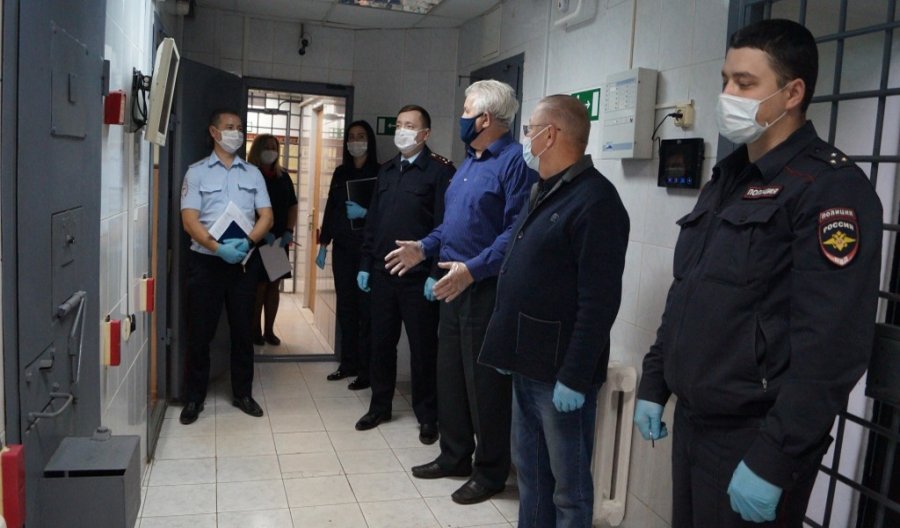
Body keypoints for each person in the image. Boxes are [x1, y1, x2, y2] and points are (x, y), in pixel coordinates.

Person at [634, 19, 882, 527]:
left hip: (754, 435)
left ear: (792, 93)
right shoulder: (729, 178)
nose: (728, 94)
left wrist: (776, 454)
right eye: (726, 80)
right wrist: (656, 379)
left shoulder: (828, 188)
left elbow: (832, 344)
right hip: (696, 421)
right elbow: (688, 291)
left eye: (745, 83)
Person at [479, 94, 629, 526]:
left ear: (551, 134)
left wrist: (576, 375)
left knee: (569, 492)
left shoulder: (596, 201)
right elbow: (523, 273)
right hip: (527, 363)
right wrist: (506, 345)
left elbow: (599, 301)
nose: (525, 137)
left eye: (530, 129)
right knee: (531, 476)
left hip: (561, 374)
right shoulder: (542, 190)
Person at [387, 80, 538, 504]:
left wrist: (473, 270)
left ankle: (490, 473)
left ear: (486, 118)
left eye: (467, 110)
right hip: (451, 283)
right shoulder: (470, 162)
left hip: (484, 288)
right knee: (450, 374)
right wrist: (423, 247)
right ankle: (454, 455)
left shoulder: (514, 163)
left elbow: (515, 232)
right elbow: (452, 225)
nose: (462, 117)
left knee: (483, 384)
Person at [354, 105, 454, 445]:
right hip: (383, 274)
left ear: (425, 134)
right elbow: (373, 222)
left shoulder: (440, 172)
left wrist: (434, 272)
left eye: (409, 126)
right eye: (399, 124)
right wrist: (365, 264)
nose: (402, 131)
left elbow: (445, 226)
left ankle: (428, 416)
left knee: (423, 349)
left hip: (418, 278)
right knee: (380, 343)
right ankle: (379, 406)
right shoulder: (386, 170)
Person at [179, 108, 274, 425]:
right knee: (200, 333)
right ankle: (194, 398)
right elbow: (189, 221)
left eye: (239, 127)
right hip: (205, 263)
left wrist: (247, 243)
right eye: (229, 127)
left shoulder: (253, 173)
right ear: (214, 132)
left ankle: (243, 394)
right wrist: (217, 248)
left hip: (243, 263)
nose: (236, 132)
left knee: (243, 332)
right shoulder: (197, 173)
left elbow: (267, 216)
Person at [318, 120, 379, 390]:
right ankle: (348, 363)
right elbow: (332, 209)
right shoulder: (340, 172)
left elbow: (386, 213)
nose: (356, 141)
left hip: (367, 252)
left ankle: (366, 371)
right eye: (352, 137)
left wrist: (365, 214)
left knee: (366, 311)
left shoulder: (380, 173)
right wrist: (323, 244)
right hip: (342, 249)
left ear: (370, 141)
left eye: (361, 136)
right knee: (345, 308)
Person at [247, 134, 298, 347]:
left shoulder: (283, 177)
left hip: (277, 241)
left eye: (274, 147)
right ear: (257, 150)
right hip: (257, 240)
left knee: (273, 286)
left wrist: (288, 230)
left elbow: (292, 206)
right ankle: (255, 331)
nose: (271, 151)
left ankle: (269, 330)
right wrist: (260, 232)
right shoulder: (250, 175)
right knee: (259, 287)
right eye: (266, 147)